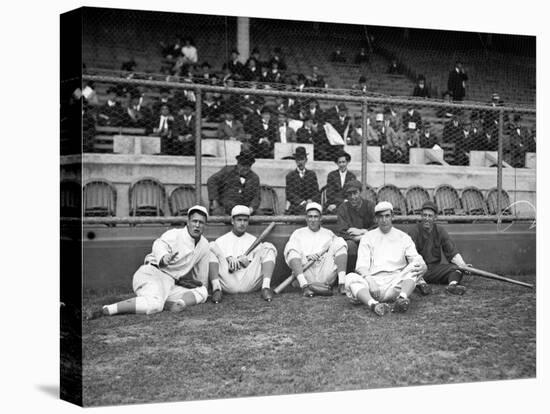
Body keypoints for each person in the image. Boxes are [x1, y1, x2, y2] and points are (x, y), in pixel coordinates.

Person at [86, 206, 211, 319]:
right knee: (155, 305)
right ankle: (106, 310)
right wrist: (164, 257)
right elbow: (158, 244)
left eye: (201, 222)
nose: (197, 225)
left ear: (205, 225)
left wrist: (199, 285)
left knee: (203, 291)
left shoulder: (204, 244)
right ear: (188, 222)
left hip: (170, 283)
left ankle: (176, 304)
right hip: (152, 273)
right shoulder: (174, 234)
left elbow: (202, 276)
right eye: (194, 221)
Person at [344, 201, 427, 316]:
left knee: (417, 264)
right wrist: (371, 281)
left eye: (387, 216)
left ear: (392, 216)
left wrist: (423, 266)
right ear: (376, 219)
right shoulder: (368, 237)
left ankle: (401, 299)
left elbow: (415, 258)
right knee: (350, 277)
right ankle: (374, 305)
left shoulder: (403, 237)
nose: (384, 220)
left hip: (396, 284)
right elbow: (361, 266)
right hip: (373, 285)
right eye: (380, 216)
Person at [208, 205, 277, 303]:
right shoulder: (221, 240)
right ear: (232, 221)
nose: (242, 223)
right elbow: (222, 263)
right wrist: (228, 259)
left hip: (249, 281)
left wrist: (248, 263)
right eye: (239, 220)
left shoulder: (253, 240)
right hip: (228, 280)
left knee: (268, 247)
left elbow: (256, 266)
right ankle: (216, 289)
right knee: (211, 246)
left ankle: (265, 287)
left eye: (245, 220)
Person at [284, 202, 348, 297]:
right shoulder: (298, 233)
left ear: (320, 218)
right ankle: (304, 287)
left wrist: (322, 256)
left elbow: (334, 251)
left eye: (315, 217)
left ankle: (342, 284)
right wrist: (307, 257)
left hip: (324, 272)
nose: (312, 220)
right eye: (310, 217)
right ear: (306, 218)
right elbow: (292, 253)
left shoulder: (328, 233)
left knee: (340, 241)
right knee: (291, 245)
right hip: (306, 271)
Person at [408, 201, 470, 296]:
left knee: (457, 269)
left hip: (433, 270)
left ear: (435, 218)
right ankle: (422, 285)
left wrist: (463, 265)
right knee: (410, 270)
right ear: (421, 216)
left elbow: (452, 252)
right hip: (418, 269)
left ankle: (452, 286)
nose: (427, 219)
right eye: (424, 215)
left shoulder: (440, 231)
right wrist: (419, 270)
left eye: (430, 216)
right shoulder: (414, 231)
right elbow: (409, 256)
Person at [335, 179, 375, 274]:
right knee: (350, 246)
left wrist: (363, 231)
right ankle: (349, 274)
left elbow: (377, 226)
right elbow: (341, 231)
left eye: (355, 193)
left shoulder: (370, 206)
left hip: (369, 239)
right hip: (353, 241)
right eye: (349, 194)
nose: (352, 197)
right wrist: (358, 238)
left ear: (360, 192)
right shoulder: (343, 208)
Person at [207, 150, 260, 215]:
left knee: (261, 216)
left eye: (248, 165)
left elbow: (256, 197)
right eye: (243, 165)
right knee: (217, 213)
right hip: (226, 209)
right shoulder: (227, 171)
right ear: (238, 163)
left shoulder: (254, 178)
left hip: (245, 210)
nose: (245, 168)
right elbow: (212, 181)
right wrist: (214, 200)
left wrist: (251, 209)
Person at [285, 146, 320, 215]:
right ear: (295, 161)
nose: (300, 162)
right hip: (296, 206)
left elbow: (317, 193)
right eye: (298, 160)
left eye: (302, 159)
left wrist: (311, 200)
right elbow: (289, 194)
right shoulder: (290, 176)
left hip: (311, 205)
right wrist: (301, 202)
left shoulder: (312, 174)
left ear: (306, 160)